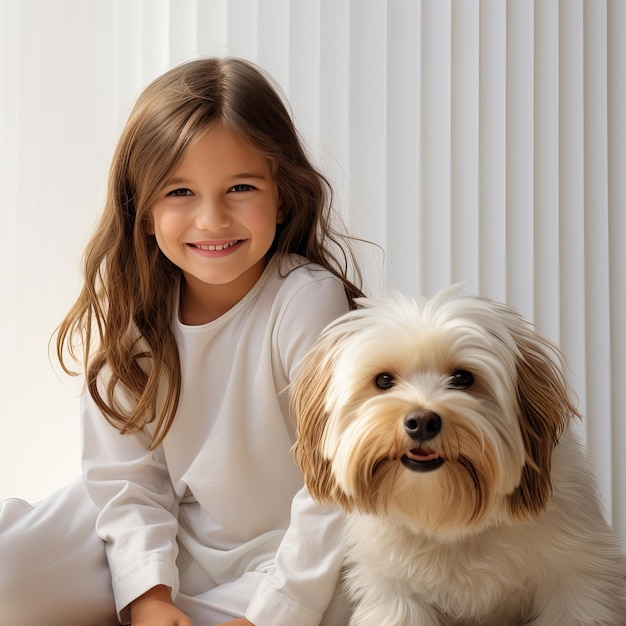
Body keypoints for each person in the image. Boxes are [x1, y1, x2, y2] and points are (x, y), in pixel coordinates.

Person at [0, 57, 364, 626]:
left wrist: (272, 610)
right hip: (158, 534)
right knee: (9, 577)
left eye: (241, 187)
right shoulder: (137, 313)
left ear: (283, 197)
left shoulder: (304, 299)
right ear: (142, 213)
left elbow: (335, 484)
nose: (212, 219)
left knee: (349, 592)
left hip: (283, 549)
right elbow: (125, 481)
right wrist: (149, 597)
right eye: (180, 192)